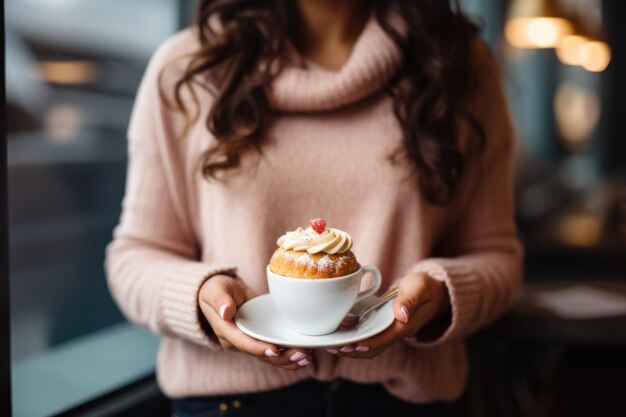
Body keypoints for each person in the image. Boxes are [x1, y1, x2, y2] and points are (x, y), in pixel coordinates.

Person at [105, 0, 523, 415]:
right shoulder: (188, 66)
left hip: (404, 403)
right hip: (229, 403)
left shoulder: (456, 65)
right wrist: (200, 296)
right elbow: (134, 257)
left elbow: (497, 256)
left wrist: (441, 291)